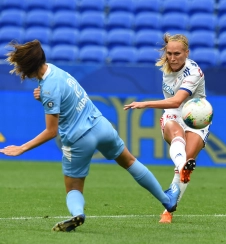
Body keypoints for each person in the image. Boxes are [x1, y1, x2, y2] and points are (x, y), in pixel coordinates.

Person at [0, 40, 180, 232]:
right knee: (129, 161)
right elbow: (58, 95)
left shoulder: (48, 88)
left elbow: (51, 131)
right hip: (101, 126)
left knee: (73, 187)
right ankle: (167, 200)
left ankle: (77, 214)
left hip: (78, 139)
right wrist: (43, 95)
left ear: (27, 66)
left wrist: (22, 148)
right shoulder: (54, 70)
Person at [124, 33, 211, 224]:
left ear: (187, 53)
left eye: (177, 54)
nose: (172, 58)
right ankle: (181, 170)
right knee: (178, 143)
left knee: (188, 158)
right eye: (169, 53)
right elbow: (174, 105)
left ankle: (168, 210)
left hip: (197, 115)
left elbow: (178, 100)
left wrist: (144, 104)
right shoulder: (167, 66)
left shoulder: (193, 72)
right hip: (173, 114)